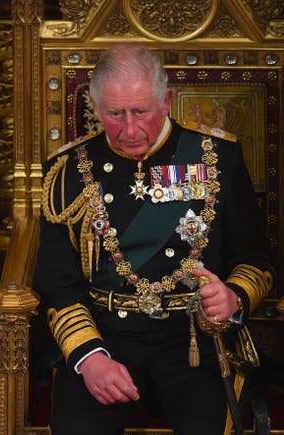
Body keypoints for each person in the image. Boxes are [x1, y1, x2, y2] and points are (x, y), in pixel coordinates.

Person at [35, 44, 274, 435]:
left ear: (166, 101)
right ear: (96, 108)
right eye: (114, 114)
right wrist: (89, 356)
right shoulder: (68, 171)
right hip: (105, 334)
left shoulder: (218, 156)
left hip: (194, 340)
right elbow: (57, 283)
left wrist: (233, 297)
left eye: (141, 112)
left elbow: (257, 261)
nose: (130, 130)